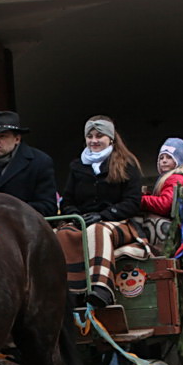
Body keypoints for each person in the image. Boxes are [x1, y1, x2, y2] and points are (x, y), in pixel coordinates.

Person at [54, 115, 142, 304]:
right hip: (83, 221)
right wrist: (74, 213)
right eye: (90, 136)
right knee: (63, 233)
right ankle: (73, 292)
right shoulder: (78, 167)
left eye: (99, 136)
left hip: (120, 223)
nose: (94, 141)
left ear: (110, 138)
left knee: (98, 230)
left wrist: (104, 215)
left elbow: (133, 202)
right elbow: (67, 199)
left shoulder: (127, 164)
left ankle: (102, 288)